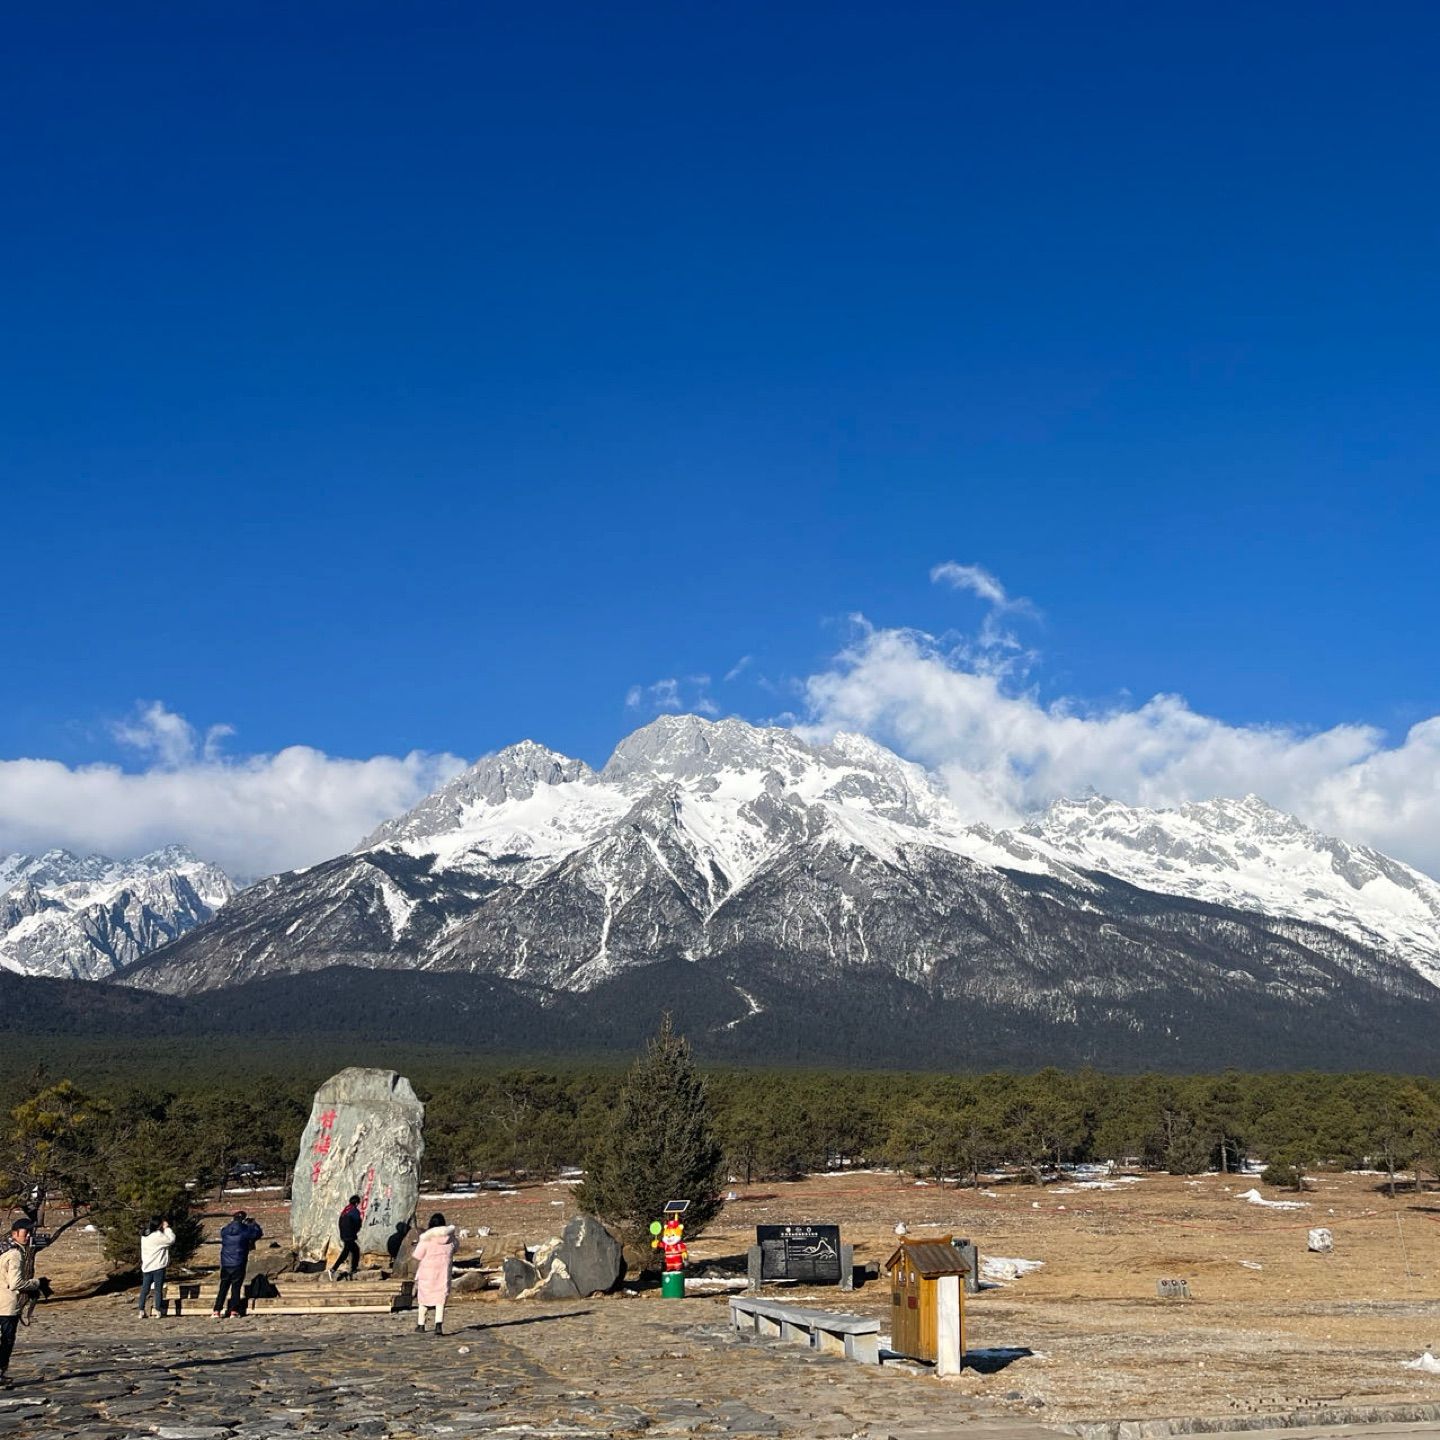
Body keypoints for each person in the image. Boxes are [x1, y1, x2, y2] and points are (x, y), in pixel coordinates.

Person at [0, 1219, 40, 1388]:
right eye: (26, 1232)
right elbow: (15, 1283)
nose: (29, 1235)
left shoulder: (2, 1249)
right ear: (15, 1233)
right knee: (7, 1340)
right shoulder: (15, 1254)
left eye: (30, 1232)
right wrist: (35, 1284)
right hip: (7, 1304)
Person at [410, 1212, 457, 1336]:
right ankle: (438, 1325)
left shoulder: (426, 1239)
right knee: (440, 1299)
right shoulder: (451, 1238)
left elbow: (417, 1255)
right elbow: (455, 1248)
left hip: (427, 1272)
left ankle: (421, 1324)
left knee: (424, 1298)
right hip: (443, 1272)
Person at [212, 1210, 263, 1319]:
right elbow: (257, 1234)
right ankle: (234, 1310)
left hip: (226, 1263)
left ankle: (217, 1310)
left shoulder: (225, 1230)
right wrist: (254, 1224)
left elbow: (223, 1231)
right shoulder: (245, 1231)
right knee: (236, 1287)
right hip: (239, 1262)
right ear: (243, 1219)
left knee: (223, 1287)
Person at [139, 1216, 176, 1318]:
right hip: (158, 1266)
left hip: (147, 1266)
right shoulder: (158, 1236)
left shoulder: (145, 1235)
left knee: (145, 1289)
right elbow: (171, 1240)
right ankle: (158, 1310)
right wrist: (167, 1229)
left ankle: (141, 1309)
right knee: (158, 1289)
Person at [328, 1196, 363, 1282]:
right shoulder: (354, 1211)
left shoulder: (345, 1210)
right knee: (348, 1252)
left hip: (344, 1234)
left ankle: (353, 1269)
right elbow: (357, 1223)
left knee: (353, 1250)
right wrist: (355, 1232)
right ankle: (333, 1269)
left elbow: (340, 1222)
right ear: (357, 1203)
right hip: (349, 1234)